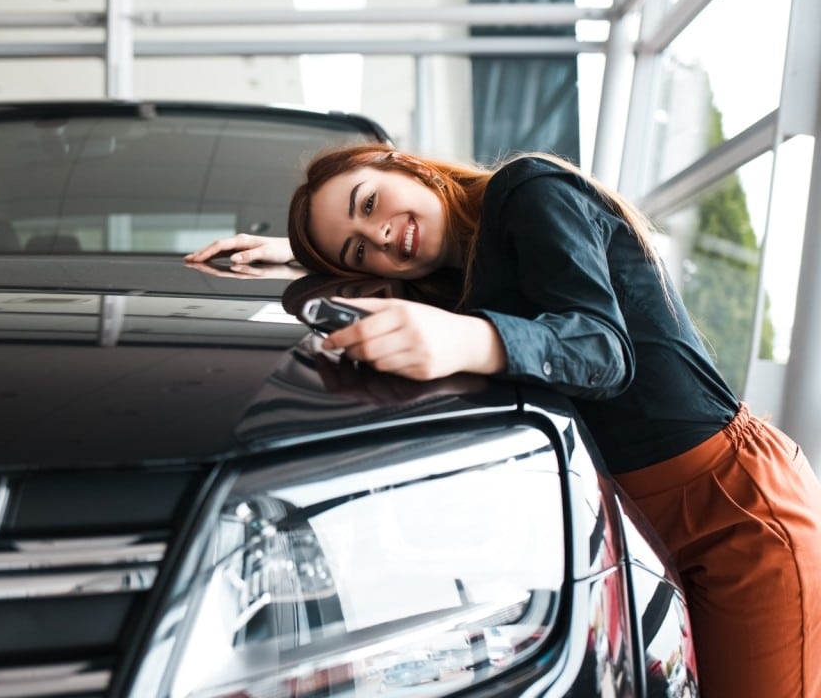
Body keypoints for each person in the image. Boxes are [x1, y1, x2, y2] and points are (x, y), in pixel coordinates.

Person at [186, 143, 821, 698]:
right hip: (639, 526)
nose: (379, 235)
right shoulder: (457, 275)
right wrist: (298, 255)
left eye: (370, 202)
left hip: (732, 509)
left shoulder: (528, 188)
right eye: (357, 248)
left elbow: (602, 350)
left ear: (405, 165)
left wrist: (472, 341)